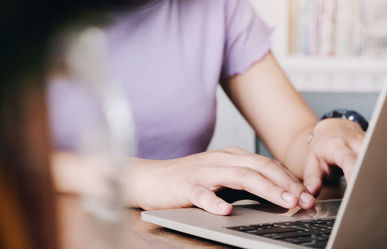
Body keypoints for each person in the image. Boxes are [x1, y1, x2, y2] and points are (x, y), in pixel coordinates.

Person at [50, 0, 366, 215]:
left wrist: (328, 131)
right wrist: (143, 180)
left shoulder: (217, 6)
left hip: (176, 245)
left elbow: (297, 135)